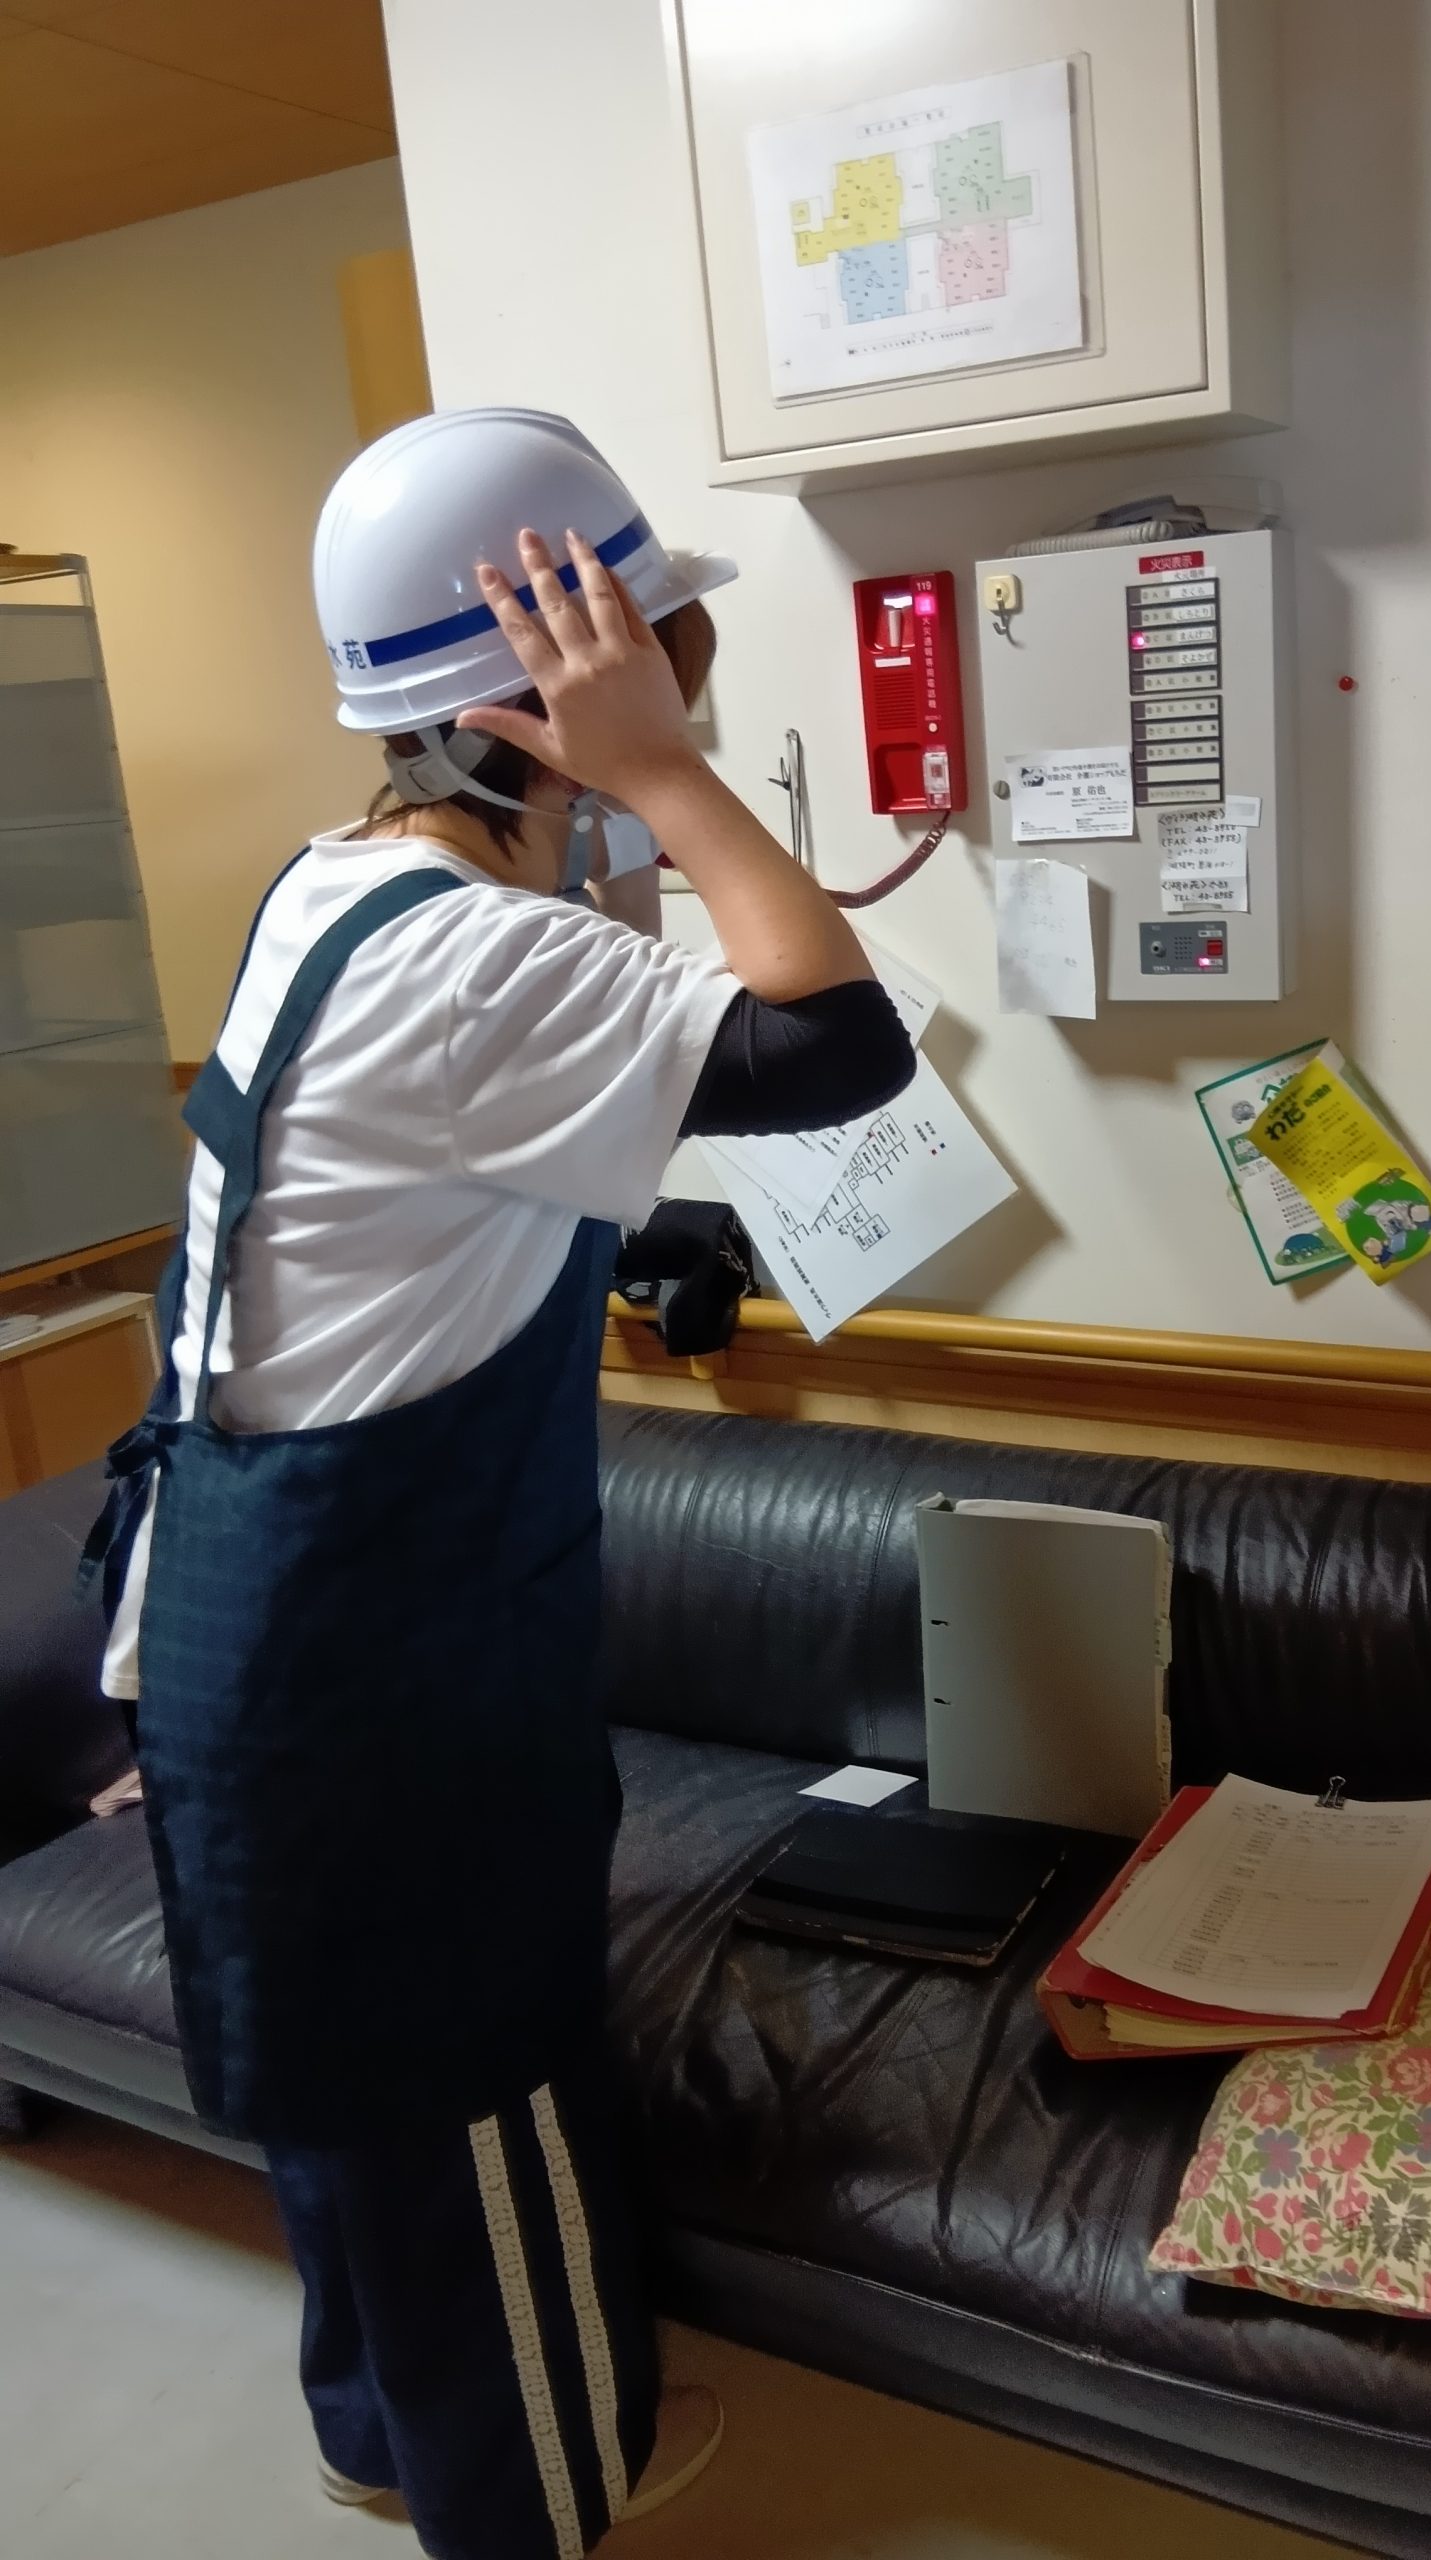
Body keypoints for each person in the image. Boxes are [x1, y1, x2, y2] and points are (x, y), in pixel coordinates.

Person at [84, 408, 913, 2560]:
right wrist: (665, 775)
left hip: (259, 1624)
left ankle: (375, 2432)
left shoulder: (339, 891)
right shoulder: (482, 963)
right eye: (649, 642)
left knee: (342, 2087)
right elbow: (840, 1044)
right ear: (546, 685)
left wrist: (596, 806)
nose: (682, 661)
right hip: (389, 1674)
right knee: (472, 2089)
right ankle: (535, 2490)